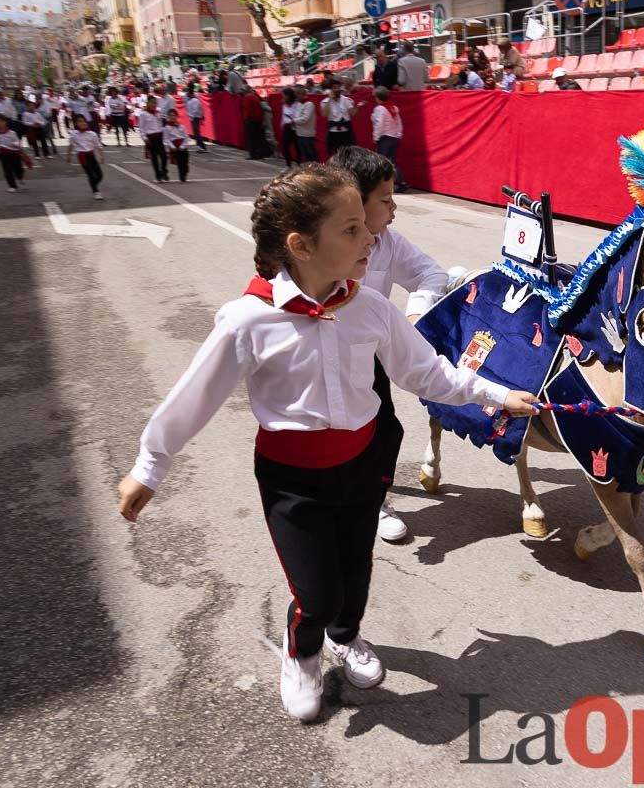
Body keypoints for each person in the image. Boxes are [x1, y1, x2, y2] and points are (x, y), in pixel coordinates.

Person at [116, 165, 538, 721]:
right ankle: (303, 650)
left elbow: (428, 374)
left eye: (368, 225)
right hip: (293, 480)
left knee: (354, 573)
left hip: (361, 467)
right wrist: (150, 465)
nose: (372, 239)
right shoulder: (250, 319)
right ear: (301, 245)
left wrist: (497, 394)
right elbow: (193, 398)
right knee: (316, 592)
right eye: (352, 230)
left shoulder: (371, 308)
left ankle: (346, 635)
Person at [328, 146, 452, 541]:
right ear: (353, 203)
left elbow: (431, 274)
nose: (394, 208)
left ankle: (374, 499)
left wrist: (415, 313)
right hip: (320, 358)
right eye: (385, 200)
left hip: (369, 357)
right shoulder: (319, 244)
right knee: (334, 435)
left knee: (385, 432)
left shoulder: (388, 242)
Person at [370, 87, 406, 191]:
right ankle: (401, 182)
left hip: (384, 138)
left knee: (381, 162)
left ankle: (380, 184)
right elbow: (399, 123)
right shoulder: (393, 107)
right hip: (394, 137)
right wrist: (398, 135)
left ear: (377, 97)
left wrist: (376, 137)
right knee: (392, 162)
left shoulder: (379, 109)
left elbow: (379, 124)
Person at [68, 113, 105, 199]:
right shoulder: (74, 134)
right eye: (79, 122)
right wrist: (69, 155)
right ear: (76, 124)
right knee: (91, 174)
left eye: (84, 121)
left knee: (99, 175)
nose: (82, 123)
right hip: (82, 156)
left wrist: (102, 156)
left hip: (91, 155)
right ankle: (96, 191)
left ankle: (93, 185)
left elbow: (98, 145)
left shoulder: (92, 134)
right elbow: (71, 144)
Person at [320, 80, 358, 156]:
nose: (337, 89)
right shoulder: (325, 101)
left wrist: (358, 107)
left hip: (346, 132)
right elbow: (324, 114)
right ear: (330, 89)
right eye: (334, 88)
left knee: (348, 155)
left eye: (338, 87)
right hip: (333, 132)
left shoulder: (347, 100)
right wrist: (330, 99)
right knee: (333, 154)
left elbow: (354, 115)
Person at [0, 115, 25, 192]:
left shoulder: (11, 132)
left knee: (18, 168)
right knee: (7, 169)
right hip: (2, 153)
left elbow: (17, 142)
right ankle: (12, 186)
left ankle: (19, 176)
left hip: (13, 152)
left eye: (1, 121)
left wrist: (14, 144)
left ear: (5, 122)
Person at [139, 94, 169, 182]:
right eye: (152, 103)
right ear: (148, 103)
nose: (154, 105)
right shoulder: (143, 114)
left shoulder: (158, 113)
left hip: (159, 136)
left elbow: (161, 125)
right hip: (150, 138)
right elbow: (141, 128)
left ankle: (163, 171)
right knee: (154, 158)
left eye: (155, 103)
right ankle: (158, 175)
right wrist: (144, 138)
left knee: (164, 156)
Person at [241, 86, 271, 160]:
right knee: (258, 138)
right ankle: (260, 154)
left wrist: (246, 119)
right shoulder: (254, 97)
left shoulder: (247, 97)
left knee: (251, 138)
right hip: (258, 119)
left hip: (252, 119)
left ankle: (253, 154)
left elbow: (247, 110)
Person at [291, 85, 318, 163]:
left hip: (307, 134)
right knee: (305, 156)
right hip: (300, 133)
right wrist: (294, 119)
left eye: (297, 96)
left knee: (311, 155)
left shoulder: (309, 104)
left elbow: (305, 119)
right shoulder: (299, 104)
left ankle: (317, 171)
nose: (296, 98)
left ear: (301, 94)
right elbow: (297, 116)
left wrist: (294, 121)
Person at [163, 108, 190, 183]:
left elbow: (186, 137)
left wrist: (183, 146)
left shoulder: (181, 126)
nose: (172, 117)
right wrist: (172, 147)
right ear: (168, 117)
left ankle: (185, 171)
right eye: (171, 115)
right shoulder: (167, 127)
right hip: (175, 147)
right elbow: (166, 139)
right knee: (180, 163)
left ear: (176, 116)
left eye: (174, 115)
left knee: (185, 163)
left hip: (182, 146)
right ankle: (182, 178)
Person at [279, 87, 301, 166]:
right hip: (287, 127)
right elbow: (283, 115)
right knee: (286, 147)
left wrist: (293, 119)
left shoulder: (297, 104)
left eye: (284, 95)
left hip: (295, 127)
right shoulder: (284, 104)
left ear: (289, 95)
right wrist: (282, 125)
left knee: (297, 147)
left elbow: (297, 114)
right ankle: (288, 165)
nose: (283, 97)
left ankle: (299, 164)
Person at [184, 86, 207, 151]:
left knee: (196, 132)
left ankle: (202, 146)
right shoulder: (189, 100)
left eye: (187, 93)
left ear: (190, 93)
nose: (186, 94)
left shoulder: (195, 100)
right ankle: (199, 145)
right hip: (192, 118)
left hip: (195, 118)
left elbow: (196, 110)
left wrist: (191, 116)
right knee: (195, 132)